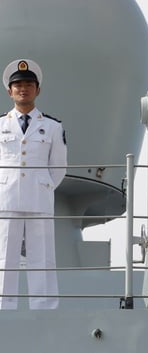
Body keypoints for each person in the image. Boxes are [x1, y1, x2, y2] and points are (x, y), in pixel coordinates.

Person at [0, 59, 67, 310]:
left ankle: (45, 307)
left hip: (39, 197)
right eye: (17, 85)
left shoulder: (51, 126)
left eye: (28, 84)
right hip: (6, 197)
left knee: (43, 256)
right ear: (10, 91)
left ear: (37, 90)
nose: (23, 89)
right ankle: (3, 307)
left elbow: (58, 166)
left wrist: (45, 186)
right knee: (5, 256)